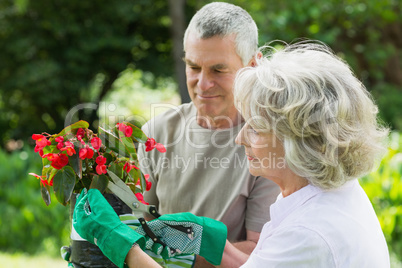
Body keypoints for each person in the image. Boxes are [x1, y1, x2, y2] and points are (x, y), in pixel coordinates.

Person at [218, 41, 390, 267]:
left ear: (300, 141)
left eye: (256, 129)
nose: (239, 139)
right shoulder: (329, 193)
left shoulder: (307, 234)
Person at [138, 2, 280, 265]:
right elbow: (138, 225)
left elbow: (261, 255)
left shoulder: (271, 143)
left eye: (218, 69)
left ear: (252, 65)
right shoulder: (156, 133)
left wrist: (175, 260)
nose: (203, 84)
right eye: (193, 67)